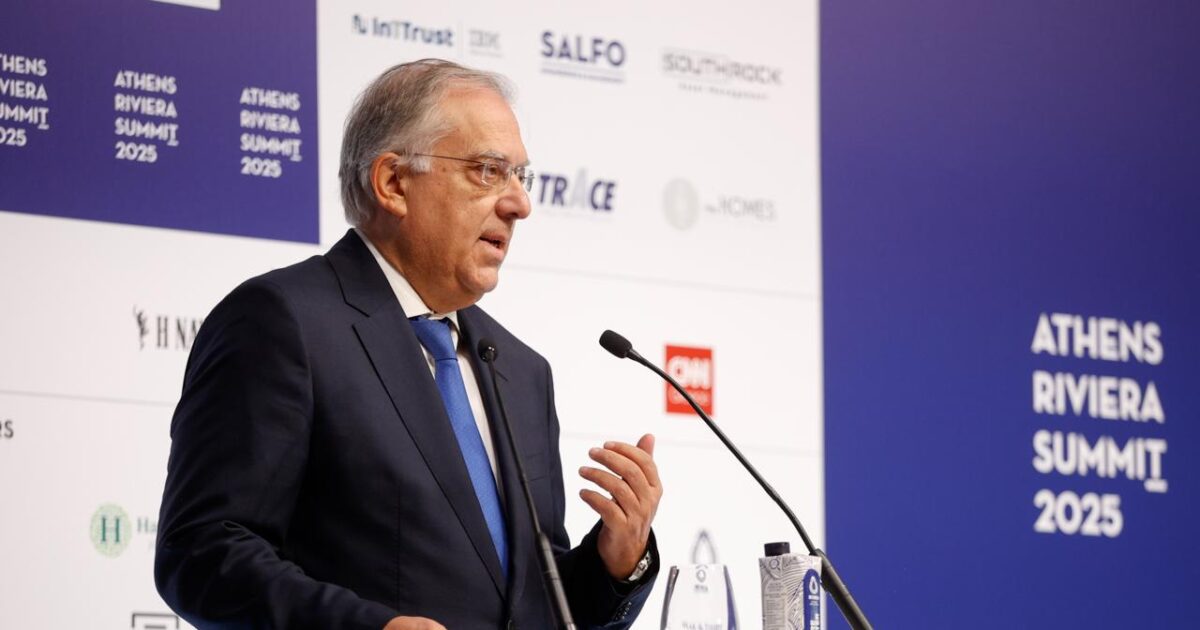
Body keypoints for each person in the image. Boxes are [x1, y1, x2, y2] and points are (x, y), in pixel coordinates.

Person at [155, 59, 662, 629]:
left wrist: (617, 561)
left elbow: (530, 603)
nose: (520, 203)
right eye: (489, 171)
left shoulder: (521, 371)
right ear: (393, 182)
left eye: (521, 175)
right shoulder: (283, 322)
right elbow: (201, 553)